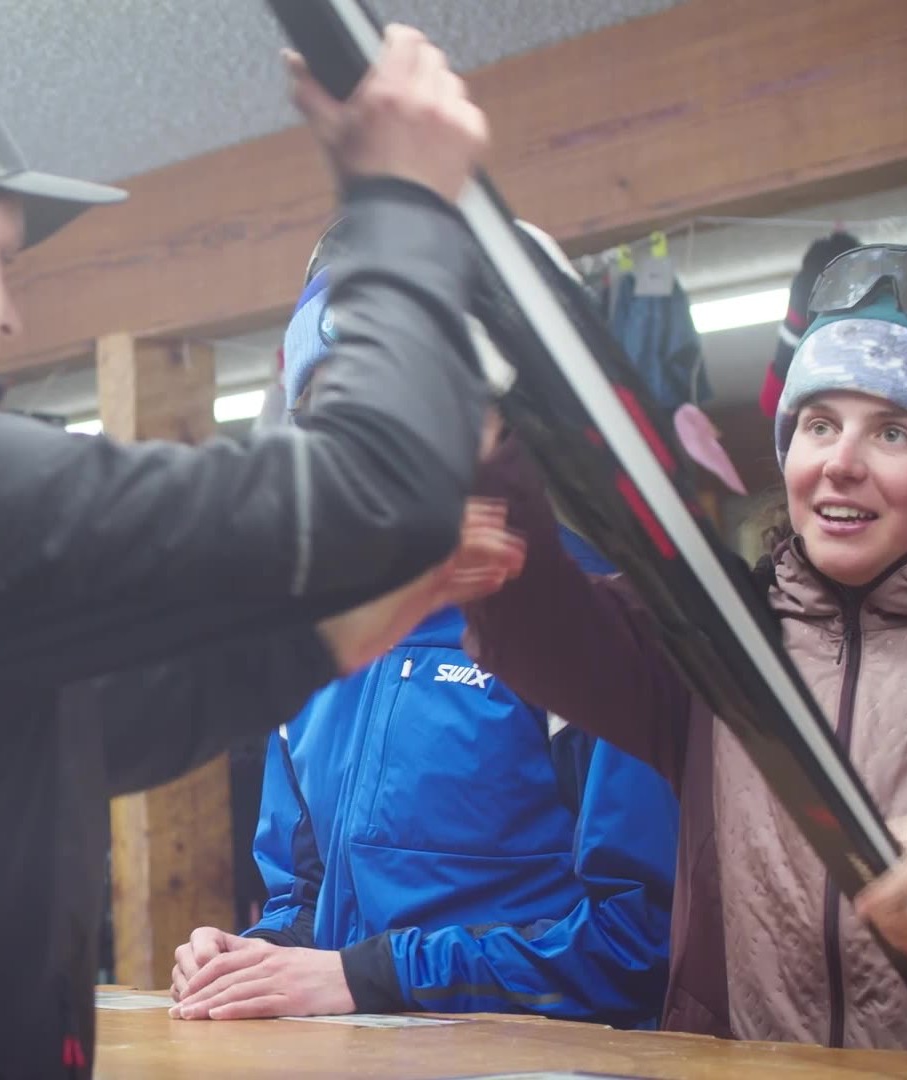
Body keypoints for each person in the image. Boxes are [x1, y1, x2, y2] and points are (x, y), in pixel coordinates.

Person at [0, 29, 525, 1078]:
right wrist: (398, 209)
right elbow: (374, 491)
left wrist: (323, 635)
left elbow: (71, 731)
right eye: (5, 261)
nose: (14, 314)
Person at [458, 238, 907, 1052]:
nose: (838, 463)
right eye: (819, 424)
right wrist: (481, 453)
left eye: (894, 433)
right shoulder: (713, 645)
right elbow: (535, 620)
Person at [169, 238, 678, 1025]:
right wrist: (250, 958)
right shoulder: (319, 638)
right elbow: (305, 903)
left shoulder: (597, 624)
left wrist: (371, 978)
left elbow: (641, 943)